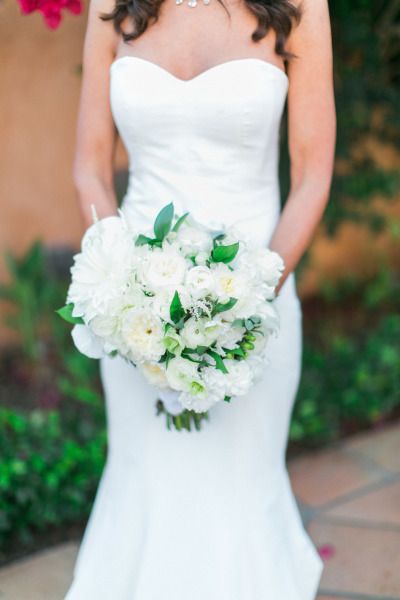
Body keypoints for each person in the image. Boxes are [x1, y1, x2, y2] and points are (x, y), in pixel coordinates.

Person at [65, 0, 336, 598]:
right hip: (133, 322)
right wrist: (127, 295)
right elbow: (90, 168)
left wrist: (248, 307)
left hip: (257, 303)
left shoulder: (301, 7)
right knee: (147, 486)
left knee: (240, 493)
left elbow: (313, 173)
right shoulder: (111, 6)